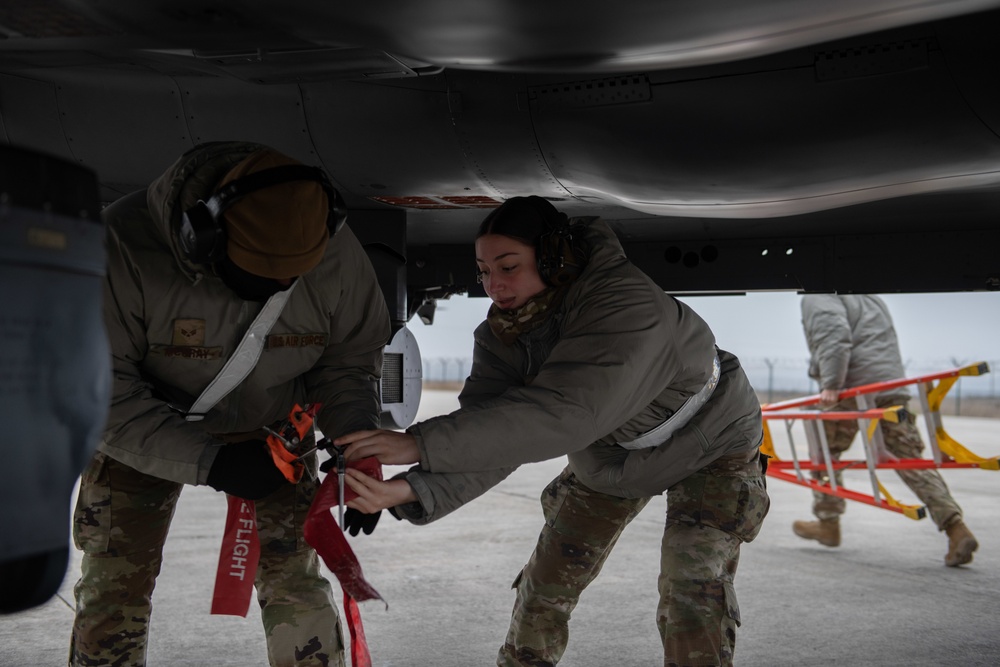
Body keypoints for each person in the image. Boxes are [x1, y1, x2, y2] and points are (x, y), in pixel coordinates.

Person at [332, 196, 770, 666]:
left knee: (692, 590)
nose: (493, 285)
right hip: (610, 459)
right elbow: (495, 434)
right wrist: (404, 489)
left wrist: (418, 442)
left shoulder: (625, 304)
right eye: (482, 271)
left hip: (712, 445)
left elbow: (562, 413)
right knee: (545, 584)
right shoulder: (504, 336)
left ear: (554, 259)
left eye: (508, 267)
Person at [70, 141, 391, 667]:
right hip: (142, 424)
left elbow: (347, 362)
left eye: (293, 278)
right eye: (261, 278)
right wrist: (211, 461)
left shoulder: (333, 249)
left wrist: (359, 446)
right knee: (113, 588)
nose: (281, 290)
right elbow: (98, 389)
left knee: (295, 581)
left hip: (274, 434)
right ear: (205, 239)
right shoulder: (119, 247)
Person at [795, 294, 979, 567]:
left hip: (852, 388)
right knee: (909, 459)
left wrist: (831, 381)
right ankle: (955, 527)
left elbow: (833, 332)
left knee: (823, 450)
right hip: (891, 387)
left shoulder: (820, 293)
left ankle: (828, 522)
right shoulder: (869, 294)